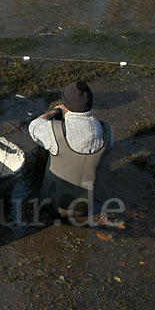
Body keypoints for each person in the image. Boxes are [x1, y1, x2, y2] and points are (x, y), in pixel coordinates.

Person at [29, 81, 113, 220]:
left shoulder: (55, 131)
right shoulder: (107, 131)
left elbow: (34, 126)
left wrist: (54, 112)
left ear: (65, 105)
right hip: (84, 209)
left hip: (50, 207)